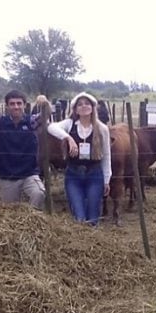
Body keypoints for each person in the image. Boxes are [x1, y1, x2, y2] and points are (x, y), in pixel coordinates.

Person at [47, 92, 111, 225]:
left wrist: (106, 180)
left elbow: (106, 156)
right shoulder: (70, 124)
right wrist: (68, 137)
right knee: (79, 216)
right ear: (75, 109)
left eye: (87, 103)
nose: (84, 106)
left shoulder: (102, 129)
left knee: (93, 217)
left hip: (95, 175)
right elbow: (51, 127)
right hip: (73, 175)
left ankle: (92, 243)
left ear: (93, 108)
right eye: (80, 104)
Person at [0, 89, 45, 209]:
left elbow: (46, 114)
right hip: (7, 175)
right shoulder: (0, 122)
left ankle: (31, 218)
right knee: (9, 210)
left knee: (39, 193)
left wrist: (45, 103)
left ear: (24, 105)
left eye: (19, 103)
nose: (16, 107)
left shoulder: (31, 122)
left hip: (29, 174)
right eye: (12, 103)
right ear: (7, 106)